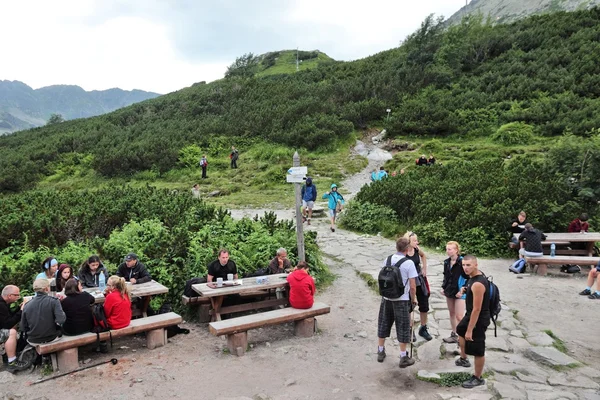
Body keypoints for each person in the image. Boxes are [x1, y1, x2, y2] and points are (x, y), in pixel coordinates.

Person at [376, 237, 418, 368]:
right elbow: (412, 286)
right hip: (402, 299)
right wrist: (414, 299)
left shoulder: (387, 260)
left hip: (387, 298)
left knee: (384, 323)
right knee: (403, 326)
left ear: (396, 247)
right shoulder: (409, 263)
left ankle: (381, 351)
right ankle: (403, 356)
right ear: (407, 249)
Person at [454, 255, 490, 389]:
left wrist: (470, 329)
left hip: (478, 319)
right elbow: (470, 287)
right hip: (470, 315)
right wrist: (464, 289)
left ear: (476, 265)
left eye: (468, 265)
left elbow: (477, 309)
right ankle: (464, 359)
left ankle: (478, 378)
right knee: (460, 329)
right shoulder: (472, 279)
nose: (465, 268)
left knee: (478, 348)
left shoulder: (478, 284)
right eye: (463, 265)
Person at [403, 232, 432, 341]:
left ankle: (423, 328)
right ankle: (410, 329)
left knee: (424, 304)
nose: (417, 242)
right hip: (409, 281)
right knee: (410, 305)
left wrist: (424, 268)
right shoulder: (404, 252)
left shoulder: (416, 249)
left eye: (417, 240)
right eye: (415, 240)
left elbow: (423, 256)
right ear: (408, 241)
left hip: (420, 279)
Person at [21, 279, 66, 344]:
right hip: (51, 338)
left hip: (33, 340)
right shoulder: (54, 301)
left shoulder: (27, 305)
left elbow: (23, 327)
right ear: (46, 289)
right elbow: (61, 320)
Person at [442, 241, 468, 344]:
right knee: (451, 313)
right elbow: (446, 276)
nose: (447, 251)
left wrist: (463, 289)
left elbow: (468, 277)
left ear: (456, 250)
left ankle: (462, 337)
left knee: (459, 316)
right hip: (449, 290)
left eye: (450, 249)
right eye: (447, 249)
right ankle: (454, 334)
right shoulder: (446, 262)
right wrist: (443, 287)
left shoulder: (462, 262)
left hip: (460, 292)